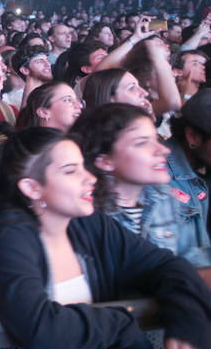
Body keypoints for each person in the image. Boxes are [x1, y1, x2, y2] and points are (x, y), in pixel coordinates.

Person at [0, 127, 211, 349]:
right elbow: (40, 326)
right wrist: (122, 324)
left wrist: (188, 319)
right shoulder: (4, 232)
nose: (90, 178)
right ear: (32, 188)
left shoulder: (89, 223)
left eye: (83, 166)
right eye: (71, 171)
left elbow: (166, 267)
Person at [72, 103, 210, 267]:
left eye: (155, 139)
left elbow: (186, 261)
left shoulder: (164, 197)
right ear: (105, 161)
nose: (163, 150)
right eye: (142, 143)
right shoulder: (85, 215)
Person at [16, 81, 83, 132]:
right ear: (44, 112)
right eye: (67, 100)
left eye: (77, 100)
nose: (79, 105)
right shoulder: (37, 148)